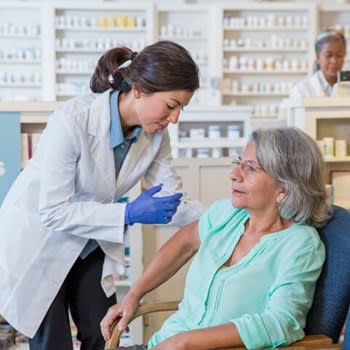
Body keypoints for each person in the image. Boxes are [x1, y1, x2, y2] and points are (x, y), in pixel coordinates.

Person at [0, 40, 205, 350]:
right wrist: (128, 213)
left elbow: (172, 197)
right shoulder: (72, 120)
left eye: (181, 109)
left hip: (89, 240)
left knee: (104, 331)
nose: (174, 119)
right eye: (171, 105)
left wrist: (225, 221)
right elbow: (54, 211)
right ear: (139, 89)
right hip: (40, 239)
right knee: (53, 342)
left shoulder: (155, 136)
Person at [101, 127, 333, 350]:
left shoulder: (300, 244)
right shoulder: (226, 214)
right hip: (163, 344)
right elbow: (184, 243)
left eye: (250, 168)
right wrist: (134, 294)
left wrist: (184, 343)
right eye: (238, 164)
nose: (234, 175)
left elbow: (281, 322)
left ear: (285, 187)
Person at [289, 28, 346, 101]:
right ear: (318, 57)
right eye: (328, 55)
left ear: (344, 55)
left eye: (339, 55)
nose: (334, 61)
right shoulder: (301, 91)